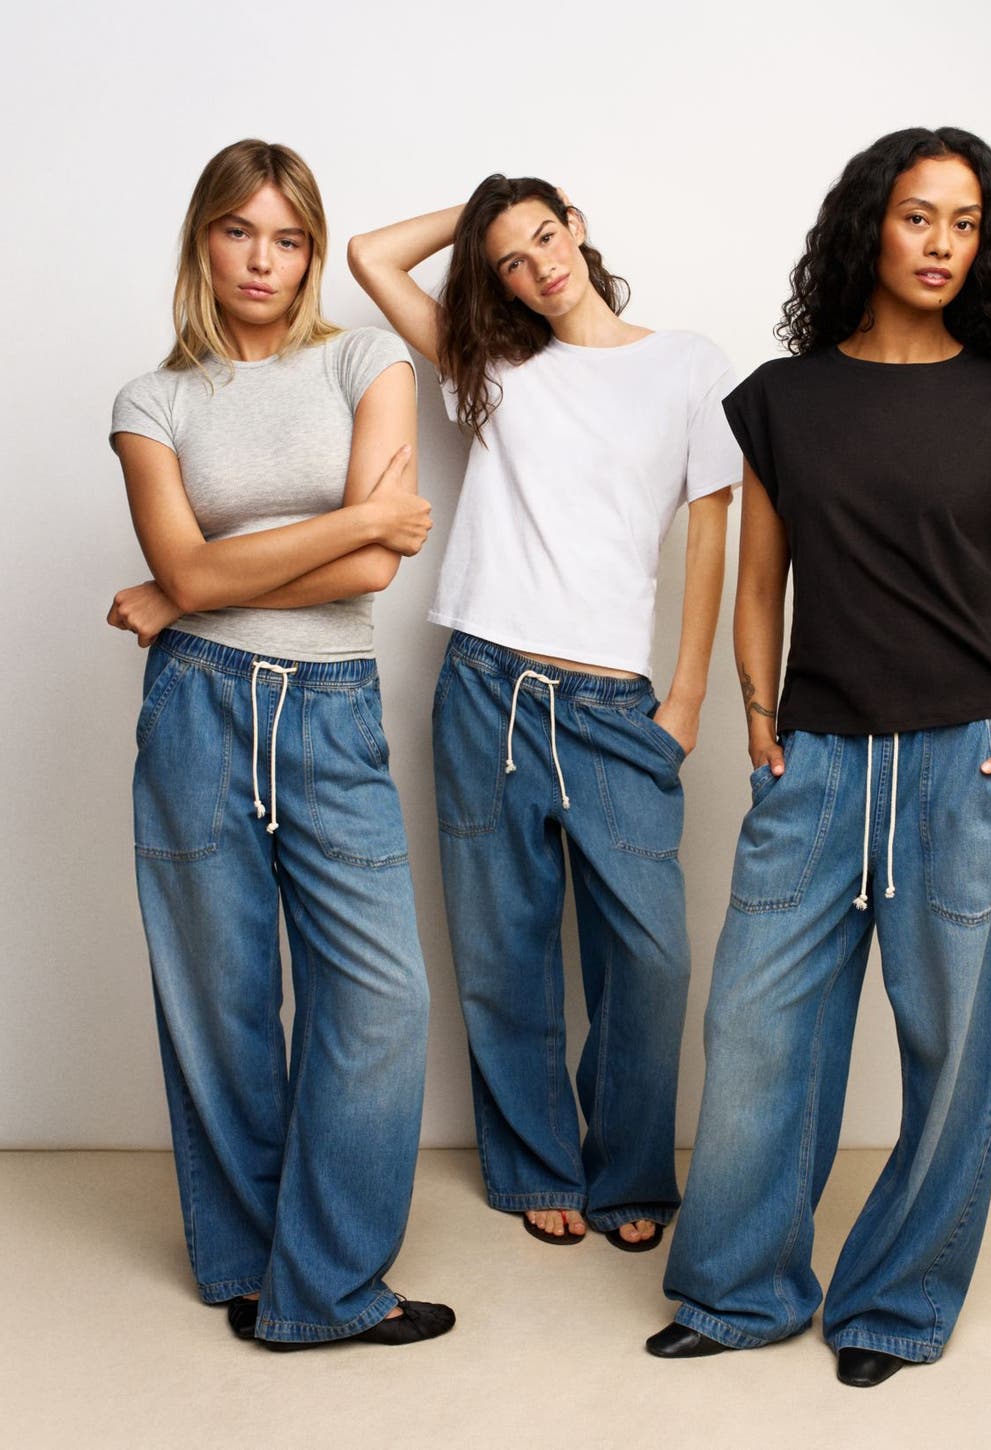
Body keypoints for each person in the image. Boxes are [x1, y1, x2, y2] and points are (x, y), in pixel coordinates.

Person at [647, 127, 991, 1383]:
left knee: (952, 1049)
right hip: (821, 763)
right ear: (868, 226)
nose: (941, 243)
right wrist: (754, 715)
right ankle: (738, 1294)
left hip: (967, 765)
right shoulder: (785, 400)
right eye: (916, 217)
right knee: (754, 1034)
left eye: (963, 222)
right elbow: (758, 579)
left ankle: (892, 1304)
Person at [349, 175, 740, 1250]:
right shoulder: (494, 368)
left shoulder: (688, 365)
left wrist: (687, 697)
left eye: (542, 236)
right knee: (501, 948)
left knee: (651, 956)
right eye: (509, 260)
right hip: (484, 688)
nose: (536, 267)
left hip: (617, 704)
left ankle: (626, 1174)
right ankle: (532, 1165)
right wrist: (478, 202)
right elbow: (370, 258)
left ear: (575, 223)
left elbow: (711, 534)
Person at [107, 138, 454, 1349]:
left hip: (330, 705)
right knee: (221, 1001)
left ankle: (330, 1283)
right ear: (204, 238)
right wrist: (345, 517)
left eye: (290, 237)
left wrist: (190, 583)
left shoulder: (368, 361)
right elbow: (204, 562)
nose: (265, 259)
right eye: (241, 231)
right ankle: (252, 1272)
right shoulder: (152, 401)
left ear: (313, 250)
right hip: (196, 707)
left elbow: (373, 568)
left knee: (381, 999)